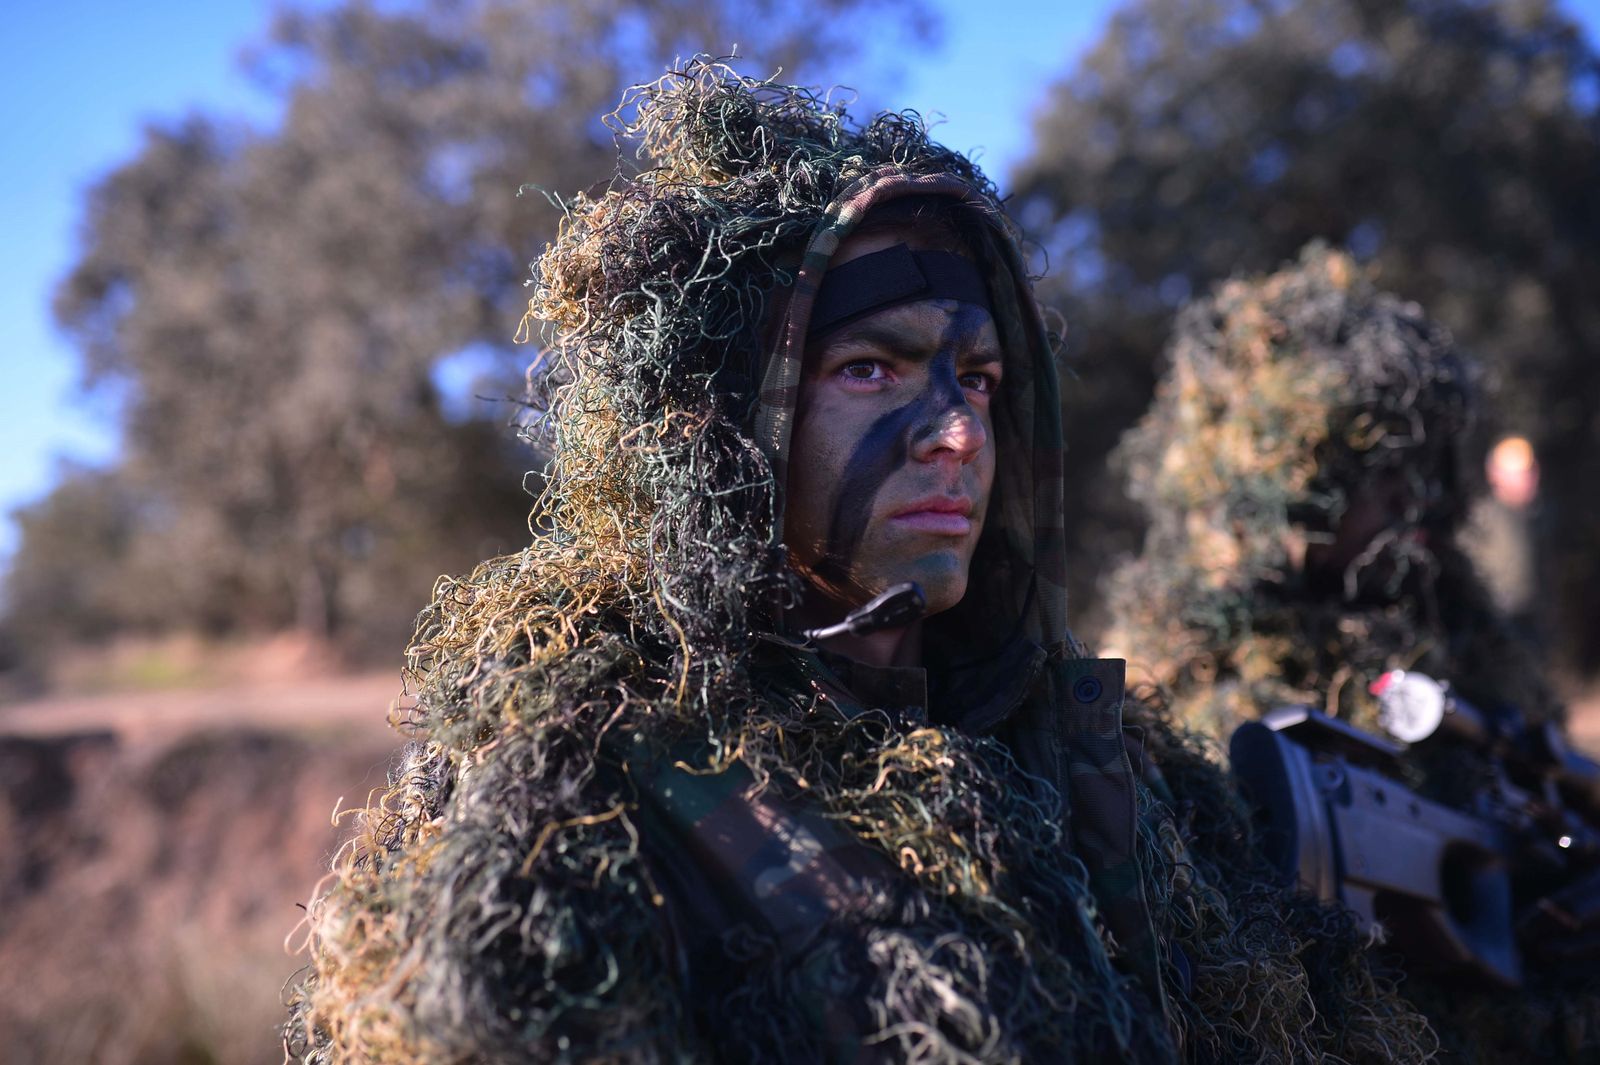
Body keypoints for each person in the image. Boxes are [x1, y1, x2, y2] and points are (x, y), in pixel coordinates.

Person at [286, 68, 1431, 1063]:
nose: (959, 434)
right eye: (874, 373)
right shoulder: (584, 800)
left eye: (978, 381)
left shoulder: (1099, 756)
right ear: (721, 424)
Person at [1102, 244, 1596, 1062]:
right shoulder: (1166, 710)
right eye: (1379, 466)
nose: (1421, 498)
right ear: (1282, 481)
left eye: (1433, 462)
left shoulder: (1466, 644)